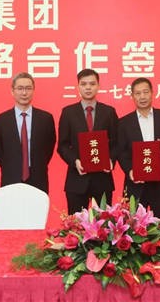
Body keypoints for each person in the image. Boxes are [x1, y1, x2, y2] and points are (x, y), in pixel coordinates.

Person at [117, 77, 160, 219]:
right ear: (132, 96)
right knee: (134, 227)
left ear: (152, 93)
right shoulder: (123, 122)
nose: (142, 96)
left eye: (145, 92)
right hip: (136, 184)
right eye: (138, 93)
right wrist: (130, 170)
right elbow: (121, 152)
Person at [57, 69, 118, 213]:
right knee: (76, 223)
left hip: (103, 179)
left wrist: (111, 160)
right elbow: (63, 145)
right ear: (78, 87)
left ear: (98, 86)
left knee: (104, 223)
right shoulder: (68, 112)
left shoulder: (109, 112)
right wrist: (75, 161)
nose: (88, 87)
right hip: (77, 179)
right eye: (84, 84)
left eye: (92, 84)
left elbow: (117, 142)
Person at [0, 72, 56, 193]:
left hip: (38, 178)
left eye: (28, 88)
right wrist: (12, 166)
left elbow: (49, 148)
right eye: (20, 88)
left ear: (33, 90)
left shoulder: (46, 118)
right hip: (10, 178)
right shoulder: (1, 120)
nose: (24, 93)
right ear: (12, 91)